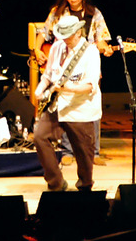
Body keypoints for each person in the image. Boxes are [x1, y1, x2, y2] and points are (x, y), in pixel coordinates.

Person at [34, 0, 113, 166]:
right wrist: (37, 50)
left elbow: (100, 39)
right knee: (67, 105)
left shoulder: (94, 14)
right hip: (63, 65)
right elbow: (44, 32)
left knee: (91, 104)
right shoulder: (58, 13)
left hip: (86, 64)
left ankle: (93, 152)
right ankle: (68, 150)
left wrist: (106, 49)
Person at [34, 15, 102, 192]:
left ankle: (85, 189)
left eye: (69, 36)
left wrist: (67, 87)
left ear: (78, 32)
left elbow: (90, 85)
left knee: (84, 155)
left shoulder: (91, 52)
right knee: (40, 136)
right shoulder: (57, 47)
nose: (66, 40)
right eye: (63, 36)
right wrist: (40, 89)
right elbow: (48, 74)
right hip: (57, 105)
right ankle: (56, 183)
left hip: (81, 109)